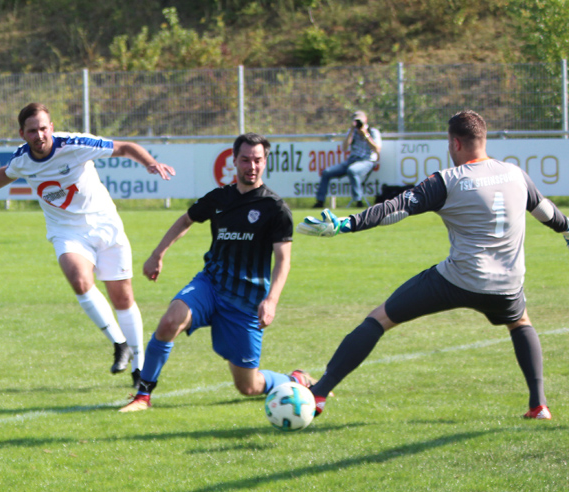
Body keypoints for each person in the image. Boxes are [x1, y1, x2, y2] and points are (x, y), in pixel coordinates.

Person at [297, 110, 569, 420]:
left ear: (455, 143)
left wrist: (347, 224)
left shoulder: (449, 180)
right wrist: (568, 230)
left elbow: (395, 208)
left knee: (379, 318)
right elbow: (549, 213)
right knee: (520, 322)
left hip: (457, 280)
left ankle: (319, 392)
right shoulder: (515, 174)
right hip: (507, 285)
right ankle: (539, 405)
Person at [0, 102, 176, 386]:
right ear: (22, 133)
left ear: (51, 127)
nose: (39, 135)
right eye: (32, 131)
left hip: (105, 224)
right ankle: (119, 343)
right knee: (78, 279)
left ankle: (139, 367)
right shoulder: (23, 159)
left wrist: (150, 162)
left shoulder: (74, 144)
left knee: (122, 298)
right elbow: (3, 174)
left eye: (43, 128)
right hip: (66, 231)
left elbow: (124, 147)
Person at [119, 132, 316, 412]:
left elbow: (283, 260)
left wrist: (271, 300)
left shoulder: (276, 208)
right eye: (245, 160)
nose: (252, 166)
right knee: (169, 322)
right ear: (234, 161)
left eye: (257, 160)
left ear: (265, 161)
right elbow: (186, 220)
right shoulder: (220, 198)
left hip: (246, 301)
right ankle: (143, 395)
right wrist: (157, 254)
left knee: (248, 386)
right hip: (210, 286)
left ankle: (294, 380)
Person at [314, 110, 382, 208]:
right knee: (326, 172)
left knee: (352, 170)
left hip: (367, 161)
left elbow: (377, 149)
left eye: (360, 121)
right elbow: (344, 147)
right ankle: (320, 201)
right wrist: (351, 131)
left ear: (365, 120)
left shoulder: (373, 132)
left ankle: (358, 201)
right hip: (351, 160)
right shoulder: (352, 132)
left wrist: (365, 135)